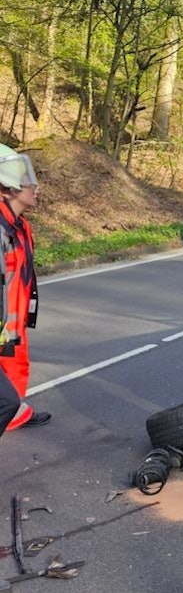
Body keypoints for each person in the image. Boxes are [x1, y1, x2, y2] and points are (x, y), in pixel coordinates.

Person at [0, 144, 49, 431]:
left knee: (16, 374)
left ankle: (13, 413)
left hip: (12, 322)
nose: (34, 186)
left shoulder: (21, 227)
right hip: (4, 321)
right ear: (6, 189)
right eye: (25, 180)